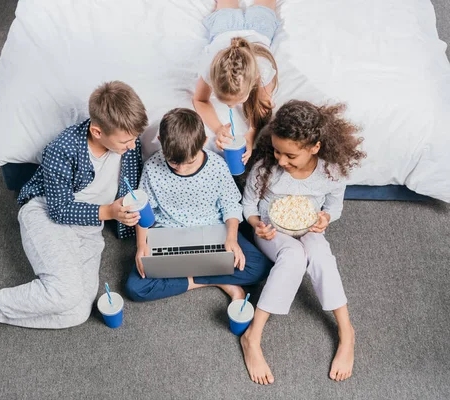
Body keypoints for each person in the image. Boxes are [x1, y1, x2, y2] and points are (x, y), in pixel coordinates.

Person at [0, 81, 148, 360]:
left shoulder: (130, 143)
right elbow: (59, 210)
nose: (131, 146)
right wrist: (110, 213)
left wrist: (133, 225)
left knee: (78, 312)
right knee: (66, 293)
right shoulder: (62, 150)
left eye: (133, 139)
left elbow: (129, 188)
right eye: (125, 141)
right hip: (46, 213)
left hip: (89, 228)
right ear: (97, 131)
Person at [240, 100, 366, 384]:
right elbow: (248, 206)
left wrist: (325, 219)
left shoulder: (332, 172)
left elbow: (335, 208)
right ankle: (252, 336)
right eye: (276, 150)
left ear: (314, 147)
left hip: (308, 226)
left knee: (321, 254)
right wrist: (256, 225)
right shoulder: (266, 168)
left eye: (290, 155)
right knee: (294, 257)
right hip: (272, 229)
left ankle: (347, 331)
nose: (281, 161)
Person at [125, 108, 272, 302]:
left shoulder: (217, 166)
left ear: (203, 142)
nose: (182, 169)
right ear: (160, 141)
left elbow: (230, 205)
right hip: (170, 235)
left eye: (189, 162)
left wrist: (231, 238)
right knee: (136, 288)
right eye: (173, 163)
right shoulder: (152, 167)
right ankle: (216, 281)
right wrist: (141, 245)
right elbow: (143, 208)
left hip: (213, 231)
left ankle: (191, 277)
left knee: (259, 267)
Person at [193, 0, 280, 164]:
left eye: (237, 101)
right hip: (227, 26)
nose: (231, 107)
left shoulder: (263, 69)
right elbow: (199, 99)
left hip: (255, 26)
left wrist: (252, 132)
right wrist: (218, 129)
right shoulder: (211, 67)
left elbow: (263, 106)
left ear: (253, 81)